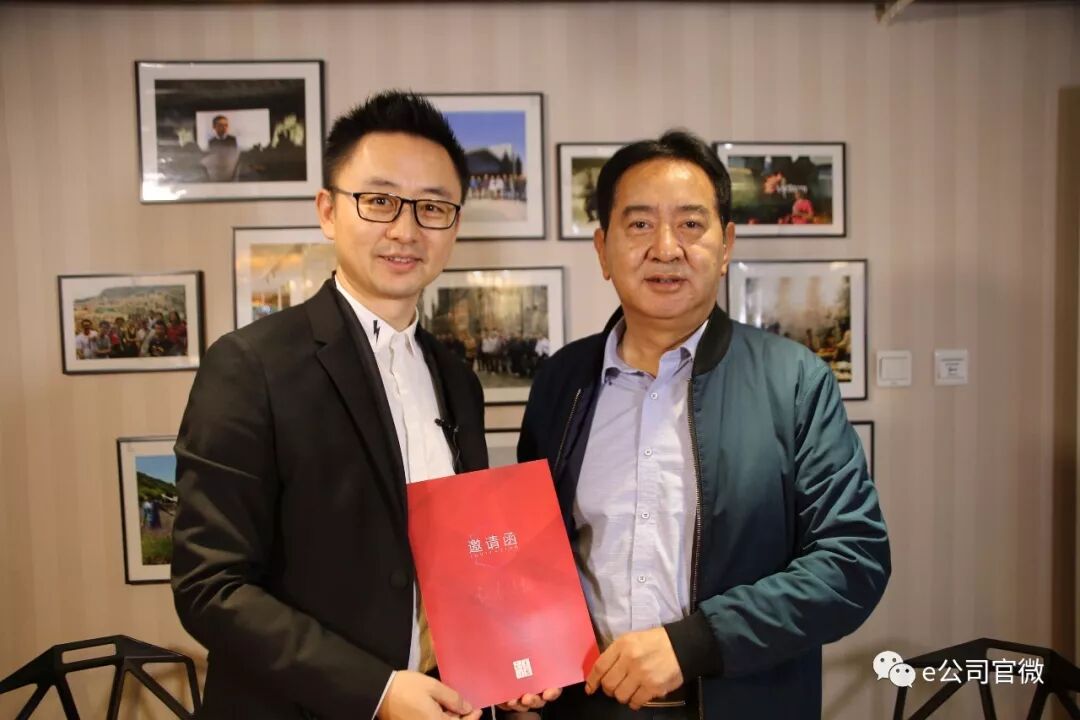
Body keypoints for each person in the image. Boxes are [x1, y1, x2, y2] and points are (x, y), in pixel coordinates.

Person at [171, 90, 555, 720]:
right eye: (379, 201)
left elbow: (463, 558)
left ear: (454, 224)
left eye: (432, 207)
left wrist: (507, 662)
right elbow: (210, 586)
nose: (405, 230)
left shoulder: (458, 379)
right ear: (328, 210)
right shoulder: (249, 366)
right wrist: (376, 692)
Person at [518, 130, 890, 719]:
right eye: (640, 224)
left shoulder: (794, 380)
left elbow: (853, 560)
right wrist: (523, 657)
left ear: (725, 246)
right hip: (584, 708)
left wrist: (693, 644)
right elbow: (532, 550)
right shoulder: (561, 382)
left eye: (690, 224)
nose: (666, 248)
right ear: (603, 249)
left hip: (743, 703)